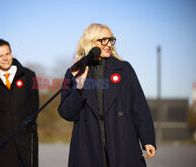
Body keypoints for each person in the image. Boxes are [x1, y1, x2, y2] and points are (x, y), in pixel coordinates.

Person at [58, 23, 156, 167]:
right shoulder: (75, 71)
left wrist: (147, 139)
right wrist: (79, 86)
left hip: (122, 144)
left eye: (111, 40)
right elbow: (66, 113)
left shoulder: (124, 69)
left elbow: (139, 106)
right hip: (88, 148)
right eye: (104, 40)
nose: (109, 44)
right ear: (91, 42)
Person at [0, 39, 39, 167]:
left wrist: (27, 132)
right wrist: (1, 132)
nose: (5, 58)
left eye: (7, 54)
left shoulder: (29, 76)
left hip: (26, 142)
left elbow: (35, 107)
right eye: (0, 56)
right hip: (2, 144)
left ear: (11, 53)